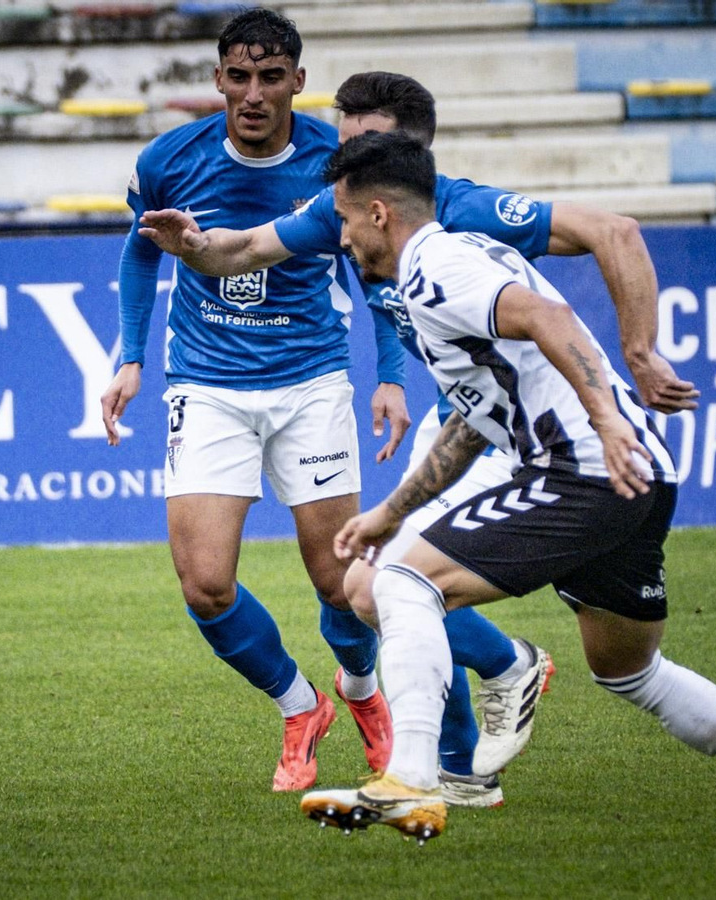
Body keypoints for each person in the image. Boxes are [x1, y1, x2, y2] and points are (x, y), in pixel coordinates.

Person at [136, 70, 701, 806]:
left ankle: (478, 700)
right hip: (469, 418)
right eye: (341, 148)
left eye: (363, 148)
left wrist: (639, 352)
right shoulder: (338, 207)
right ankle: (463, 764)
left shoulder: (463, 208)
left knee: (389, 583)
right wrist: (195, 248)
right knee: (377, 586)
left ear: (412, 151)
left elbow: (612, 231)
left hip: (529, 431)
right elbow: (239, 253)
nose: (342, 166)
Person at [299, 131, 716, 844]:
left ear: (378, 213)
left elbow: (550, 319)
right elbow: (475, 417)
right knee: (630, 670)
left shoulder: (435, 265)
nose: (340, 240)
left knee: (395, 583)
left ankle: (412, 778)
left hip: (584, 466)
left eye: (343, 221)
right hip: (633, 475)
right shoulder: (452, 265)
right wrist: (390, 511)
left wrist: (606, 422)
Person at [98, 9, 412, 792]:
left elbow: (377, 268)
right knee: (205, 584)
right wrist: (131, 358)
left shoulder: (336, 161)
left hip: (310, 382)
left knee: (341, 580)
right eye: (238, 76)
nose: (253, 93)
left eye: (271, 77)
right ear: (218, 80)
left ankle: (364, 692)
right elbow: (141, 255)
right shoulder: (169, 159)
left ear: (297, 83)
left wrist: (393, 374)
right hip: (206, 385)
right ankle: (300, 706)